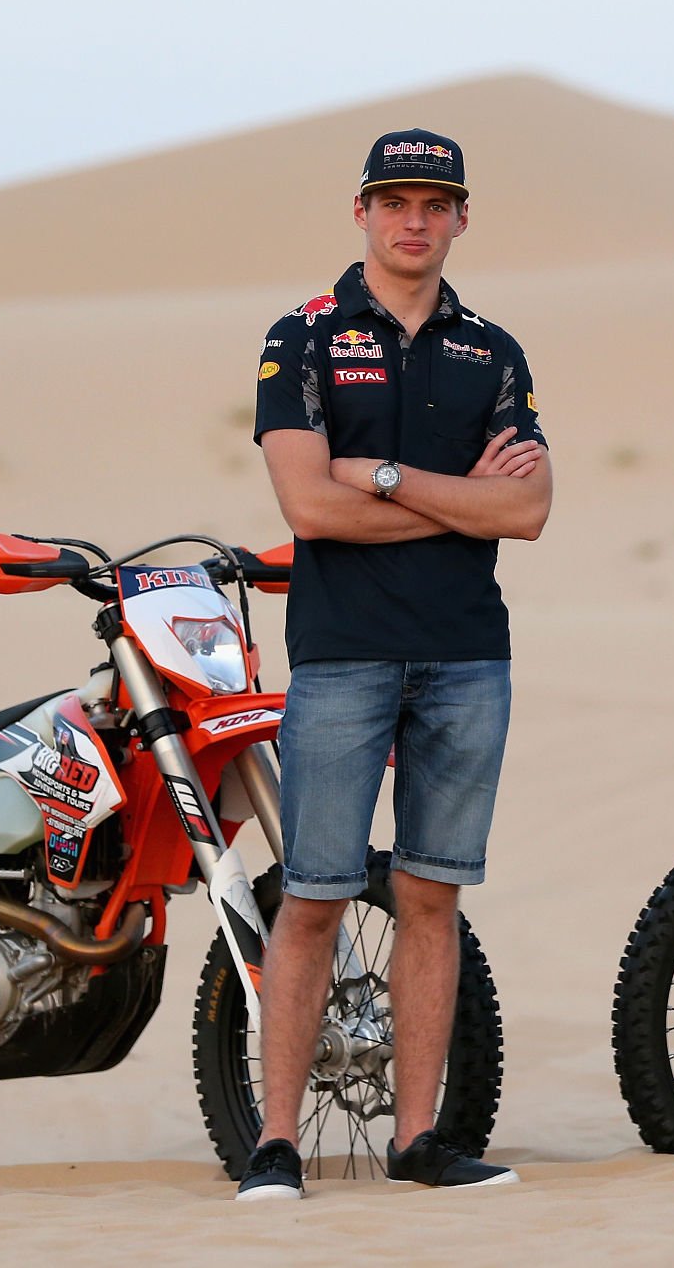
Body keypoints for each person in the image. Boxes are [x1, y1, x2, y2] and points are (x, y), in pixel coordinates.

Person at [240, 129, 551, 1200]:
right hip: (342, 657)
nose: (412, 221)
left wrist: (376, 476)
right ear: (360, 213)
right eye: (393, 202)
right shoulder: (304, 337)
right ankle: (275, 1142)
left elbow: (528, 507)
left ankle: (417, 1139)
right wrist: (451, 500)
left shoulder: (492, 351)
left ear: (462, 217)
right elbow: (306, 506)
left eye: (434, 203)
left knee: (430, 898)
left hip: (467, 657)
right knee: (315, 896)